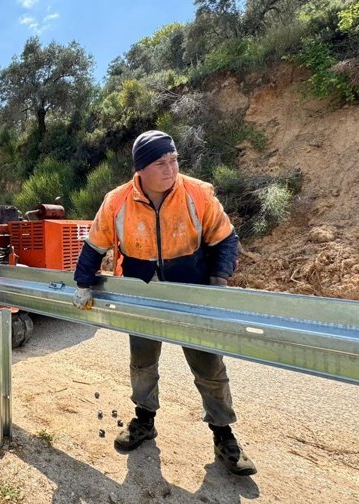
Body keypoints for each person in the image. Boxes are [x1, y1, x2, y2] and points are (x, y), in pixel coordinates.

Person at [72, 130, 256, 476]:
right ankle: (144, 420)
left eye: (173, 160)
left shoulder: (198, 194)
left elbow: (225, 238)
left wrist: (217, 284)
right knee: (142, 364)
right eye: (161, 163)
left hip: (191, 294)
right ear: (141, 169)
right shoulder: (117, 201)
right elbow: (95, 245)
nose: (170, 168)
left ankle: (224, 435)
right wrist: (83, 283)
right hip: (142, 296)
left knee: (209, 367)